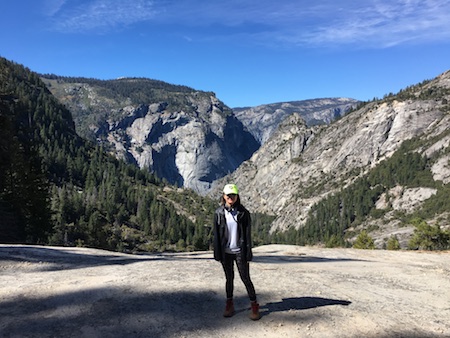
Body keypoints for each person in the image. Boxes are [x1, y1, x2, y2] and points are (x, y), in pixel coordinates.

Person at [213, 183, 261, 320]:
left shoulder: (243, 213)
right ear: (224, 196)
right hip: (225, 252)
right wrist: (217, 253)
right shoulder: (218, 213)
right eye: (228, 195)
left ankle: (254, 306)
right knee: (229, 279)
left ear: (237, 196)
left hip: (240, 251)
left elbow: (247, 235)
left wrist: (248, 253)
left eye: (233, 195)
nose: (230, 197)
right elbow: (216, 235)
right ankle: (229, 304)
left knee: (245, 278)